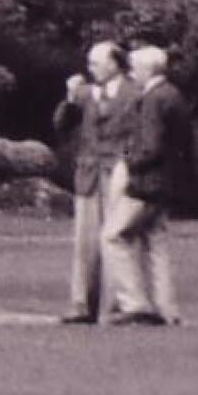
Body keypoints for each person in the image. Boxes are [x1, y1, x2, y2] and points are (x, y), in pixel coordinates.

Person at [46, 42, 133, 325]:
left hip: (119, 173)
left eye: (96, 62)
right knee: (85, 244)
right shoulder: (83, 94)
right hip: (88, 175)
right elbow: (60, 126)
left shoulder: (134, 92)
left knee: (115, 240)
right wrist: (69, 99)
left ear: (114, 64)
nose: (90, 68)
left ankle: (115, 306)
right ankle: (80, 304)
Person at [112, 45, 192, 326]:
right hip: (168, 185)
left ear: (147, 70)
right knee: (156, 244)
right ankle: (167, 309)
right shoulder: (174, 96)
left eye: (135, 68)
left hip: (146, 184)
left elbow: (151, 146)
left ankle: (135, 303)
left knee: (114, 236)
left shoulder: (153, 99)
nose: (132, 74)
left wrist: (128, 162)